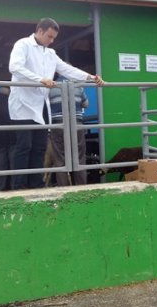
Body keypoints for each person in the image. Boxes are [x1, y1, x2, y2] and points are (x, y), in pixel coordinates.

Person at [8, 17, 105, 190]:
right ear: (39, 31)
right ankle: (20, 185)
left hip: (41, 105)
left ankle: (35, 182)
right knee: (24, 146)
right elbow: (14, 67)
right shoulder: (22, 45)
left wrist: (90, 77)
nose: (52, 41)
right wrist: (40, 80)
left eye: (54, 38)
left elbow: (67, 70)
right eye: (50, 37)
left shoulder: (50, 53)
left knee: (39, 146)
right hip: (23, 104)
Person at [48, 80, 89, 186]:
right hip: (76, 125)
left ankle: (63, 187)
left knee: (60, 157)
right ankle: (81, 187)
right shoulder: (78, 86)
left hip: (58, 125)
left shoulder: (50, 87)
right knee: (79, 157)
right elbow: (86, 104)